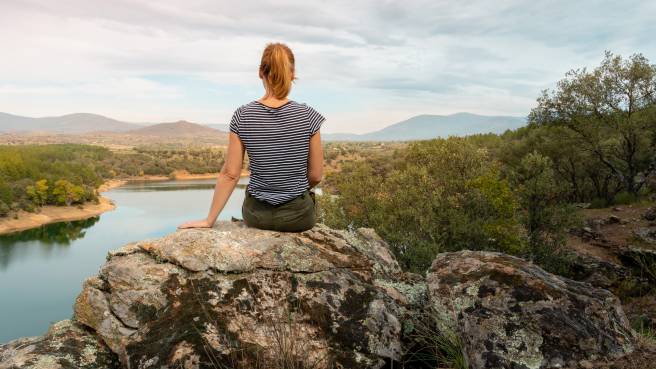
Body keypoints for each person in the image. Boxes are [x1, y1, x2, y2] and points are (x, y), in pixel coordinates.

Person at [178, 42, 325, 232]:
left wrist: (209, 220)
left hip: (257, 216)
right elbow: (316, 175)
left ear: (260, 72)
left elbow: (231, 174)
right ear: (292, 74)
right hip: (298, 218)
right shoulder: (308, 115)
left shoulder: (243, 115)